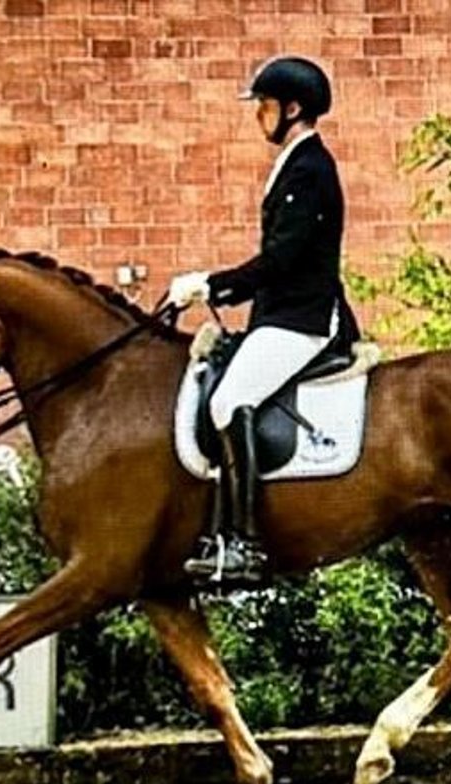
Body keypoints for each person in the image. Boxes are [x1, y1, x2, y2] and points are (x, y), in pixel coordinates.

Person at [168, 56, 361, 585]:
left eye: (266, 106)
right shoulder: (294, 164)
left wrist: (212, 284)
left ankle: (243, 543)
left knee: (231, 401)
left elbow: (283, 259)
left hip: (302, 318)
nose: (259, 116)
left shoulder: (310, 169)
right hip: (279, 313)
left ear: (292, 109)